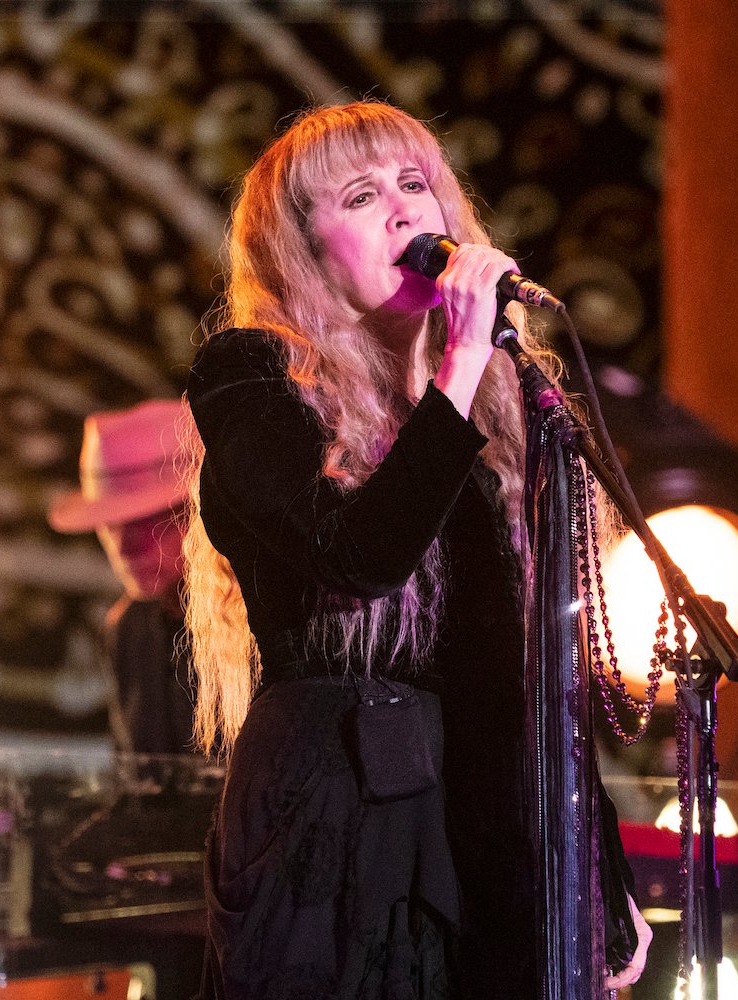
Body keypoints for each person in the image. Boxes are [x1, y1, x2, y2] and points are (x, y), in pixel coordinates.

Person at [182, 101, 650, 999]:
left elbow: (527, 662)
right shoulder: (250, 379)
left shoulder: (498, 406)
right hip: (337, 810)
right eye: (362, 196)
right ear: (302, 251)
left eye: (415, 185)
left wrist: (599, 859)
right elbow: (358, 554)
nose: (404, 211)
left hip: (477, 815)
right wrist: (463, 358)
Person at [48, 399, 197, 756]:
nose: (124, 545)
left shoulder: (259, 620)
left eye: (146, 520)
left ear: (197, 509)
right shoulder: (130, 627)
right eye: (110, 522)